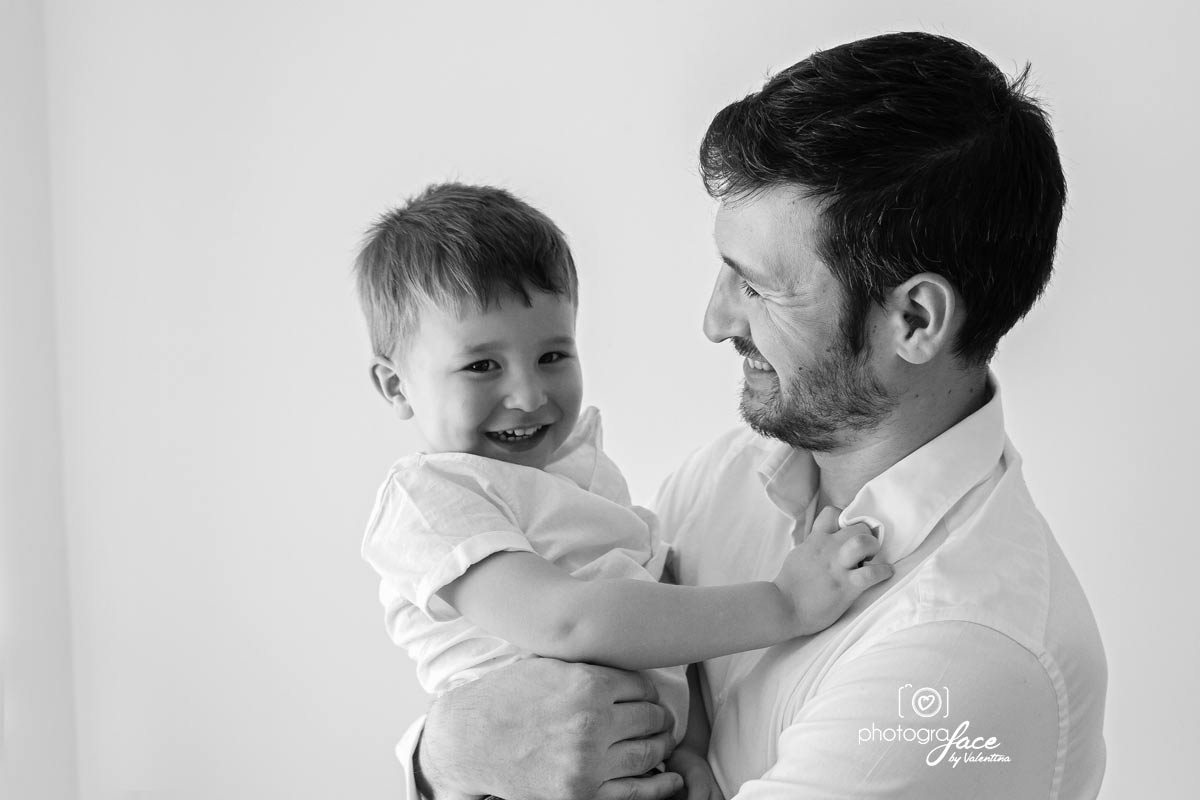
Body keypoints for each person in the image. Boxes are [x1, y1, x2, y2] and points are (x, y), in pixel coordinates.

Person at [401, 32, 1108, 799]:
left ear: (914, 320)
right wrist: (445, 758)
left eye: (759, 287)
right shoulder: (729, 479)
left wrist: (464, 755)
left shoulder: (962, 656)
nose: (714, 321)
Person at [355, 183, 895, 798]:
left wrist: (688, 748)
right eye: (482, 366)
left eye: (553, 355)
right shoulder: (431, 498)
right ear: (396, 386)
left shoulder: (579, 472)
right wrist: (785, 604)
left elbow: (661, 611)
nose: (528, 395)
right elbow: (567, 623)